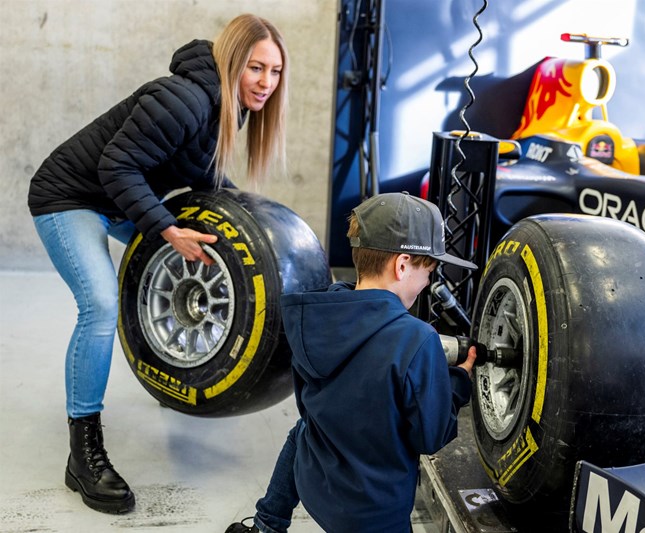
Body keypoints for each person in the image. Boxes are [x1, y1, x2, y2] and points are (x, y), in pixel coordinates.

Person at [27, 14, 289, 514]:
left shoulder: (229, 109)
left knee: (207, 250)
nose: (266, 83)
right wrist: (166, 229)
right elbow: (115, 165)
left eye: (275, 73)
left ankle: (175, 370)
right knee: (101, 306)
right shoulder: (185, 99)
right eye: (256, 68)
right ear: (233, 61)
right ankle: (83, 453)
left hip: (120, 198)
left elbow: (205, 178)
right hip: (71, 197)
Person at [227, 192, 478, 533]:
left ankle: (266, 525)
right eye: (428, 271)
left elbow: (307, 406)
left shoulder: (314, 316)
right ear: (402, 265)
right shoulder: (418, 340)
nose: (427, 283)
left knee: (303, 430)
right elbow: (430, 436)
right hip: (375, 516)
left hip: (317, 488)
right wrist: (457, 382)